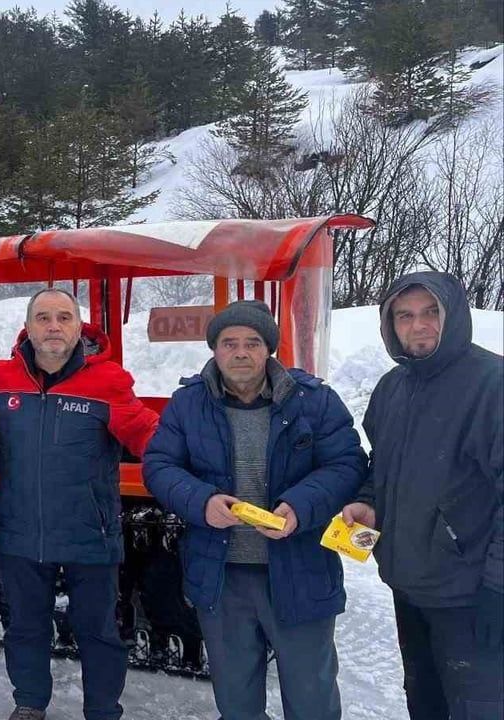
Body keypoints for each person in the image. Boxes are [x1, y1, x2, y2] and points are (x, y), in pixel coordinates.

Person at [142, 300, 366, 720]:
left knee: (311, 695)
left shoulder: (314, 401)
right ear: (214, 349)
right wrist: (202, 501)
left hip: (300, 570)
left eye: (252, 342)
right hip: (222, 575)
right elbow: (159, 465)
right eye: (229, 343)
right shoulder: (189, 404)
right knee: (237, 698)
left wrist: (301, 506)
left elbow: (347, 464)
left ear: (269, 350)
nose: (240, 352)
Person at [0, 288, 159, 720]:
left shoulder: (107, 381)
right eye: (43, 318)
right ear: (29, 327)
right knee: (24, 626)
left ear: (78, 326)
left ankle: (103, 710)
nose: (53, 326)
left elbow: (150, 434)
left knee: (99, 631)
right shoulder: (2, 378)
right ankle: (30, 703)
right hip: (20, 532)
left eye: (63, 317)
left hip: (88, 533)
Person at [341, 272, 503, 720]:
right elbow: (383, 467)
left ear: (454, 316)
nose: (420, 325)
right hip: (408, 586)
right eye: (405, 315)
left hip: (470, 596)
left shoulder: (492, 383)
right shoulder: (392, 388)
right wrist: (368, 501)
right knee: (424, 703)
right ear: (390, 325)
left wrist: (498, 588)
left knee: (478, 708)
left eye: (432, 312)